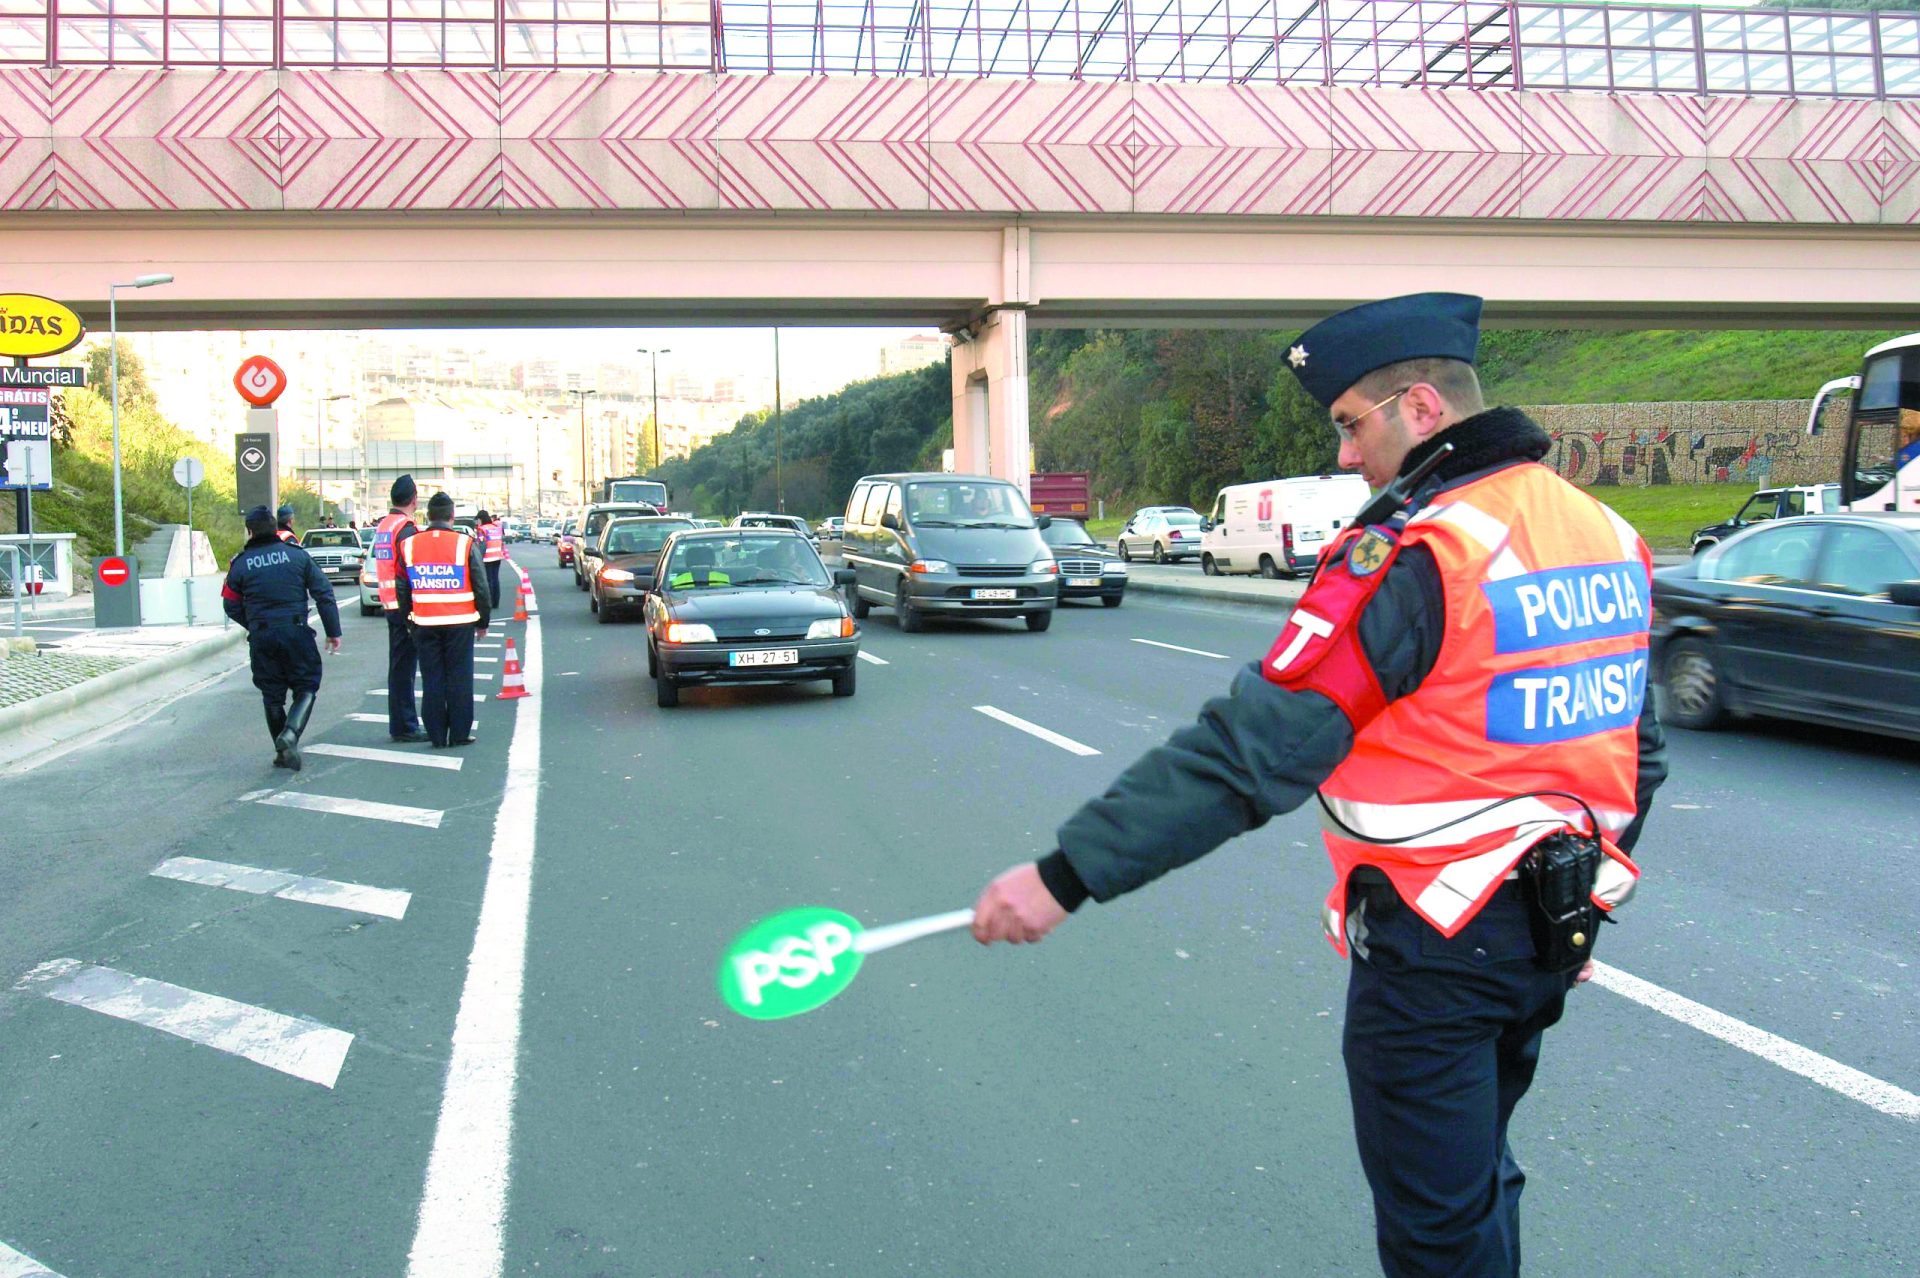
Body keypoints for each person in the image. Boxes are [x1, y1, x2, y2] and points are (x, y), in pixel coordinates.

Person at [968, 293, 1668, 1278]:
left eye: (1350, 424)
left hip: (1436, 947)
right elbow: (1640, 755)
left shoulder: (1421, 553)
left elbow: (1253, 750)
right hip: (1551, 933)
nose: (1343, 456)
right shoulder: (1603, 530)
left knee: (1437, 1230)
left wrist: (1065, 875)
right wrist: (1576, 884)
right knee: (1477, 1185)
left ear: (1421, 408)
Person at [221, 504, 342, 771]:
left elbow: (229, 604)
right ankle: (289, 736)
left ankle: (282, 749)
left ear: (249, 532)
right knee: (307, 686)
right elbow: (324, 593)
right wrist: (333, 631)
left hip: (263, 636)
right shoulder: (297, 556)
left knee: (271, 695)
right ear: (276, 528)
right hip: (295, 632)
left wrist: (253, 623)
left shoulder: (240, 565)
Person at [394, 491, 491, 748]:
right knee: (459, 678)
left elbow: (402, 588)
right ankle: (459, 733)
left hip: (424, 623)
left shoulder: (410, 544)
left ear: (428, 516)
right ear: (452, 516)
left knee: (432, 678)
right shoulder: (465, 543)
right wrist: (483, 622)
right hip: (460, 624)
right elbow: (481, 586)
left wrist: (408, 620)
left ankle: (437, 735)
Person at [372, 475, 428, 743]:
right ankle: (405, 725)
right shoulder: (405, 527)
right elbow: (411, 568)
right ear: (414, 499)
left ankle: (401, 723)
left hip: (389, 603)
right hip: (404, 606)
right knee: (405, 668)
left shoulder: (385, 525)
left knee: (399, 667)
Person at [477, 508, 507, 609]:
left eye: (478, 519)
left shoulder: (482, 529)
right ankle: (495, 602)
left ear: (481, 519)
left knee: (488, 580)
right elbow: (501, 541)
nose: (477, 522)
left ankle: (489, 602)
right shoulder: (495, 528)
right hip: (497, 556)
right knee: (495, 579)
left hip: (487, 558)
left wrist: (478, 558)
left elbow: (482, 545)